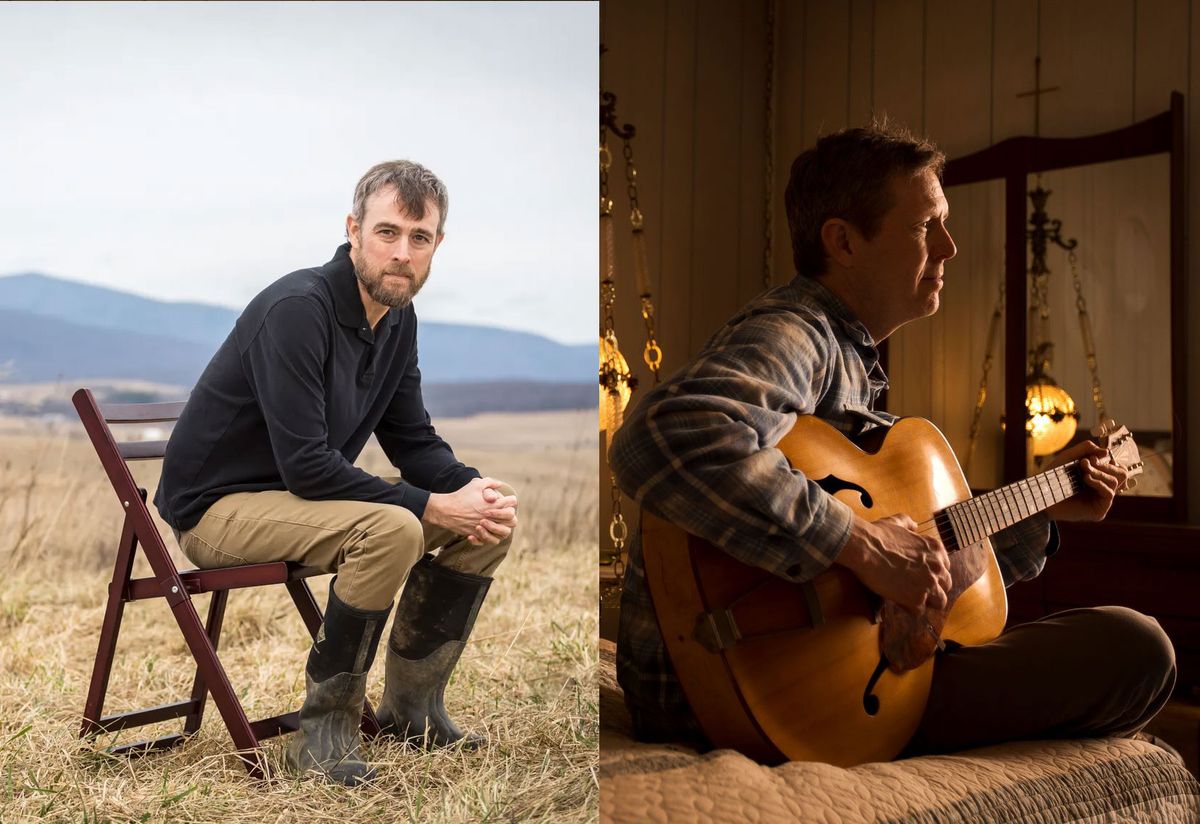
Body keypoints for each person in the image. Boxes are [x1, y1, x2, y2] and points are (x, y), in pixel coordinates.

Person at [608, 123, 1176, 756]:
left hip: (810, 683)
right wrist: (860, 545)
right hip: (725, 694)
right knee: (1136, 648)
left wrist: (1047, 501)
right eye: (924, 226)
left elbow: (936, 558)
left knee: (1120, 649)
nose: (950, 248)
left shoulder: (853, 365)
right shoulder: (798, 333)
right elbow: (662, 436)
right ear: (843, 241)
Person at [154, 160, 519, 785]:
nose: (402, 253)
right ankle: (321, 733)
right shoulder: (298, 309)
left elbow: (413, 439)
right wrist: (428, 506)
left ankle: (412, 712)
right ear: (354, 230)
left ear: (437, 245)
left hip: (294, 501)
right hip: (217, 510)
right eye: (387, 232)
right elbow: (307, 465)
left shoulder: (397, 320)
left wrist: (469, 490)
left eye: (419, 237)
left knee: (482, 523)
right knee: (396, 529)